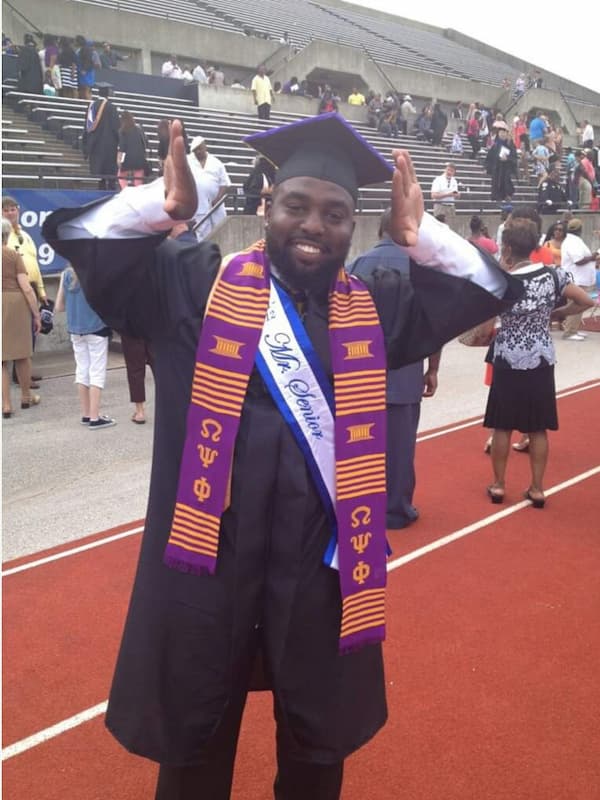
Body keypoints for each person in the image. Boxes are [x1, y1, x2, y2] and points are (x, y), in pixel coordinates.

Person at [43, 113, 523, 800]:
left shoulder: (375, 309)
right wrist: (163, 205)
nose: (313, 225)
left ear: (352, 226)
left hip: (321, 573)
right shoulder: (195, 286)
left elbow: (480, 292)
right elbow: (90, 245)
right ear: (266, 205)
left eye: (335, 213)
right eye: (296, 205)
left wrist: (420, 237)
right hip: (209, 564)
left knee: (314, 753)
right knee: (194, 752)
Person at [483, 218, 594, 506]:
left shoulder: (501, 282)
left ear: (507, 247)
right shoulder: (554, 276)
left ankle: (498, 485)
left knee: (502, 425)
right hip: (540, 357)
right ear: (535, 246)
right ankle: (537, 488)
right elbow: (586, 301)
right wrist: (555, 314)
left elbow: (483, 328)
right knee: (538, 426)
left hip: (507, 356)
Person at [348, 208, 441, 530]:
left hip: (359, 373)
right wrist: (432, 368)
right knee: (399, 449)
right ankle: (396, 509)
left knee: (358, 444)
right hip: (404, 371)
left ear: (380, 230)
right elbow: (434, 325)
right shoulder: (422, 270)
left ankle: (356, 505)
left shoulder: (357, 266)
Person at [54, 265, 115, 428]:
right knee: (97, 371)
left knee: (82, 370)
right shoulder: (95, 272)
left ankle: (86, 414)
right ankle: (95, 417)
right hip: (96, 328)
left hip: (75, 329)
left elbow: (59, 306)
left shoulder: (65, 274)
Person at [2, 218, 41, 418]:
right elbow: (26, 286)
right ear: (7, 235)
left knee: (2, 361)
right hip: (14, 303)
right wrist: (36, 314)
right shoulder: (13, 255)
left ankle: (6, 405)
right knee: (22, 354)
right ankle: (26, 397)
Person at [186, 135, 231, 239]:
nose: (198, 152)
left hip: (216, 205)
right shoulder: (188, 161)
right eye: (195, 150)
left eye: (199, 148)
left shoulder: (216, 163)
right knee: (201, 233)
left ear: (205, 147)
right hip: (198, 205)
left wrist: (217, 199)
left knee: (220, 231)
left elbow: (224, 183)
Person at [560, 218, 597, 340]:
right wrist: (592, 257)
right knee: (574, 305)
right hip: (575, 279)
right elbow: (578, 261)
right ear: (580, 229)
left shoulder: (574, 241)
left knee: (579, 305)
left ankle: (574, 330)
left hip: (579, 278)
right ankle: (569, 332)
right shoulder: (572, 242)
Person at [81, 83, 120, 190]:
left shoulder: (91, 106)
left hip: (96, 146)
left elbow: (87, 128)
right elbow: (117, 128)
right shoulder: (112, 108)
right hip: (110, 148)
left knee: (100, 179)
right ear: (107, 94)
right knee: (111, 177)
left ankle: (101, 190)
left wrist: (85, 148)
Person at [485, 124, 518, 203]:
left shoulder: (510, 144)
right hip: (497, 170)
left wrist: (507, 158)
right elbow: (489, 157)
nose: (502, 134)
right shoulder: (495, 145)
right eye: (500, 133)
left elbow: (514, 157)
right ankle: (497, 201)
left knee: (506, 186)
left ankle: (507, 199)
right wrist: (487, 168)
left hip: (506, 169)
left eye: (504, 133)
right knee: (496, 187)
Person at [117, 110, 149, 190]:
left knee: (120, 175)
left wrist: (120, 161)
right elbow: (145, 143)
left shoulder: (122, 131)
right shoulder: (139, 130)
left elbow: (122, 148)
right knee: (138, 179)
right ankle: (137, 193)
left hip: (128, 160)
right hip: (139, 159)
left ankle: (125, 190)